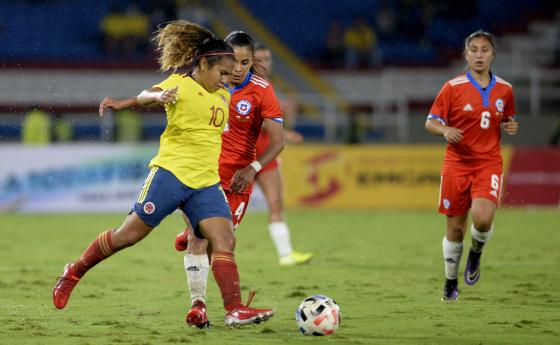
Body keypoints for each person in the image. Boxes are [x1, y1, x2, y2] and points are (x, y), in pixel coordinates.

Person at [52, 20, 274, 328]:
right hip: (170, 175)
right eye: (222, 73)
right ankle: (73, 271)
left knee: (224, 240)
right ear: (203, 64)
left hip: (206, 183)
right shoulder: (181, 84)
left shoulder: (222, 95)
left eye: (229, 74)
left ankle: (233, 309)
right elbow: (148, 93)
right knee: (127, 236)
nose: (227, 80)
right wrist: (142, 100)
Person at [173, 31, 285, 328]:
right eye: (233, 61)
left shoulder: (261, 90)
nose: (238, 69)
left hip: (238, 181)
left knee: (220, 243)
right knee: (204, 240)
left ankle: (190, 234)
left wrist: (253, 168)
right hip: (201, 175)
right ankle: (198, 307)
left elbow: (278, 141)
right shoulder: (204, 83)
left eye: (245, 63)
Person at [425, 30, 519, 301]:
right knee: (455, 229)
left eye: (484, 50)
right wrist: (444, 130)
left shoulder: (505, 89)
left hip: (488, 163)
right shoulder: (452, 87)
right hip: (456, 164)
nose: (479, 55)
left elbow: (506, 117)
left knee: (482, 217)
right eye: (474, 50)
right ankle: (450, 281)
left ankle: (475, 253)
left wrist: (510, 124)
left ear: (493, 54)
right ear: (466, 55)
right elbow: (430, 121)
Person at [253, 44, 313, 266]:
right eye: (259, 59)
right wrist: (285, 132)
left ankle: (286, 254)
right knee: (227, 209)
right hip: (242, 153)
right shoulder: (239, 85)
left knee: (276, 201)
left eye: (267, 58)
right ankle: (216, 252)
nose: (264, 63)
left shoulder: (268, 86)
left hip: (267, 151)